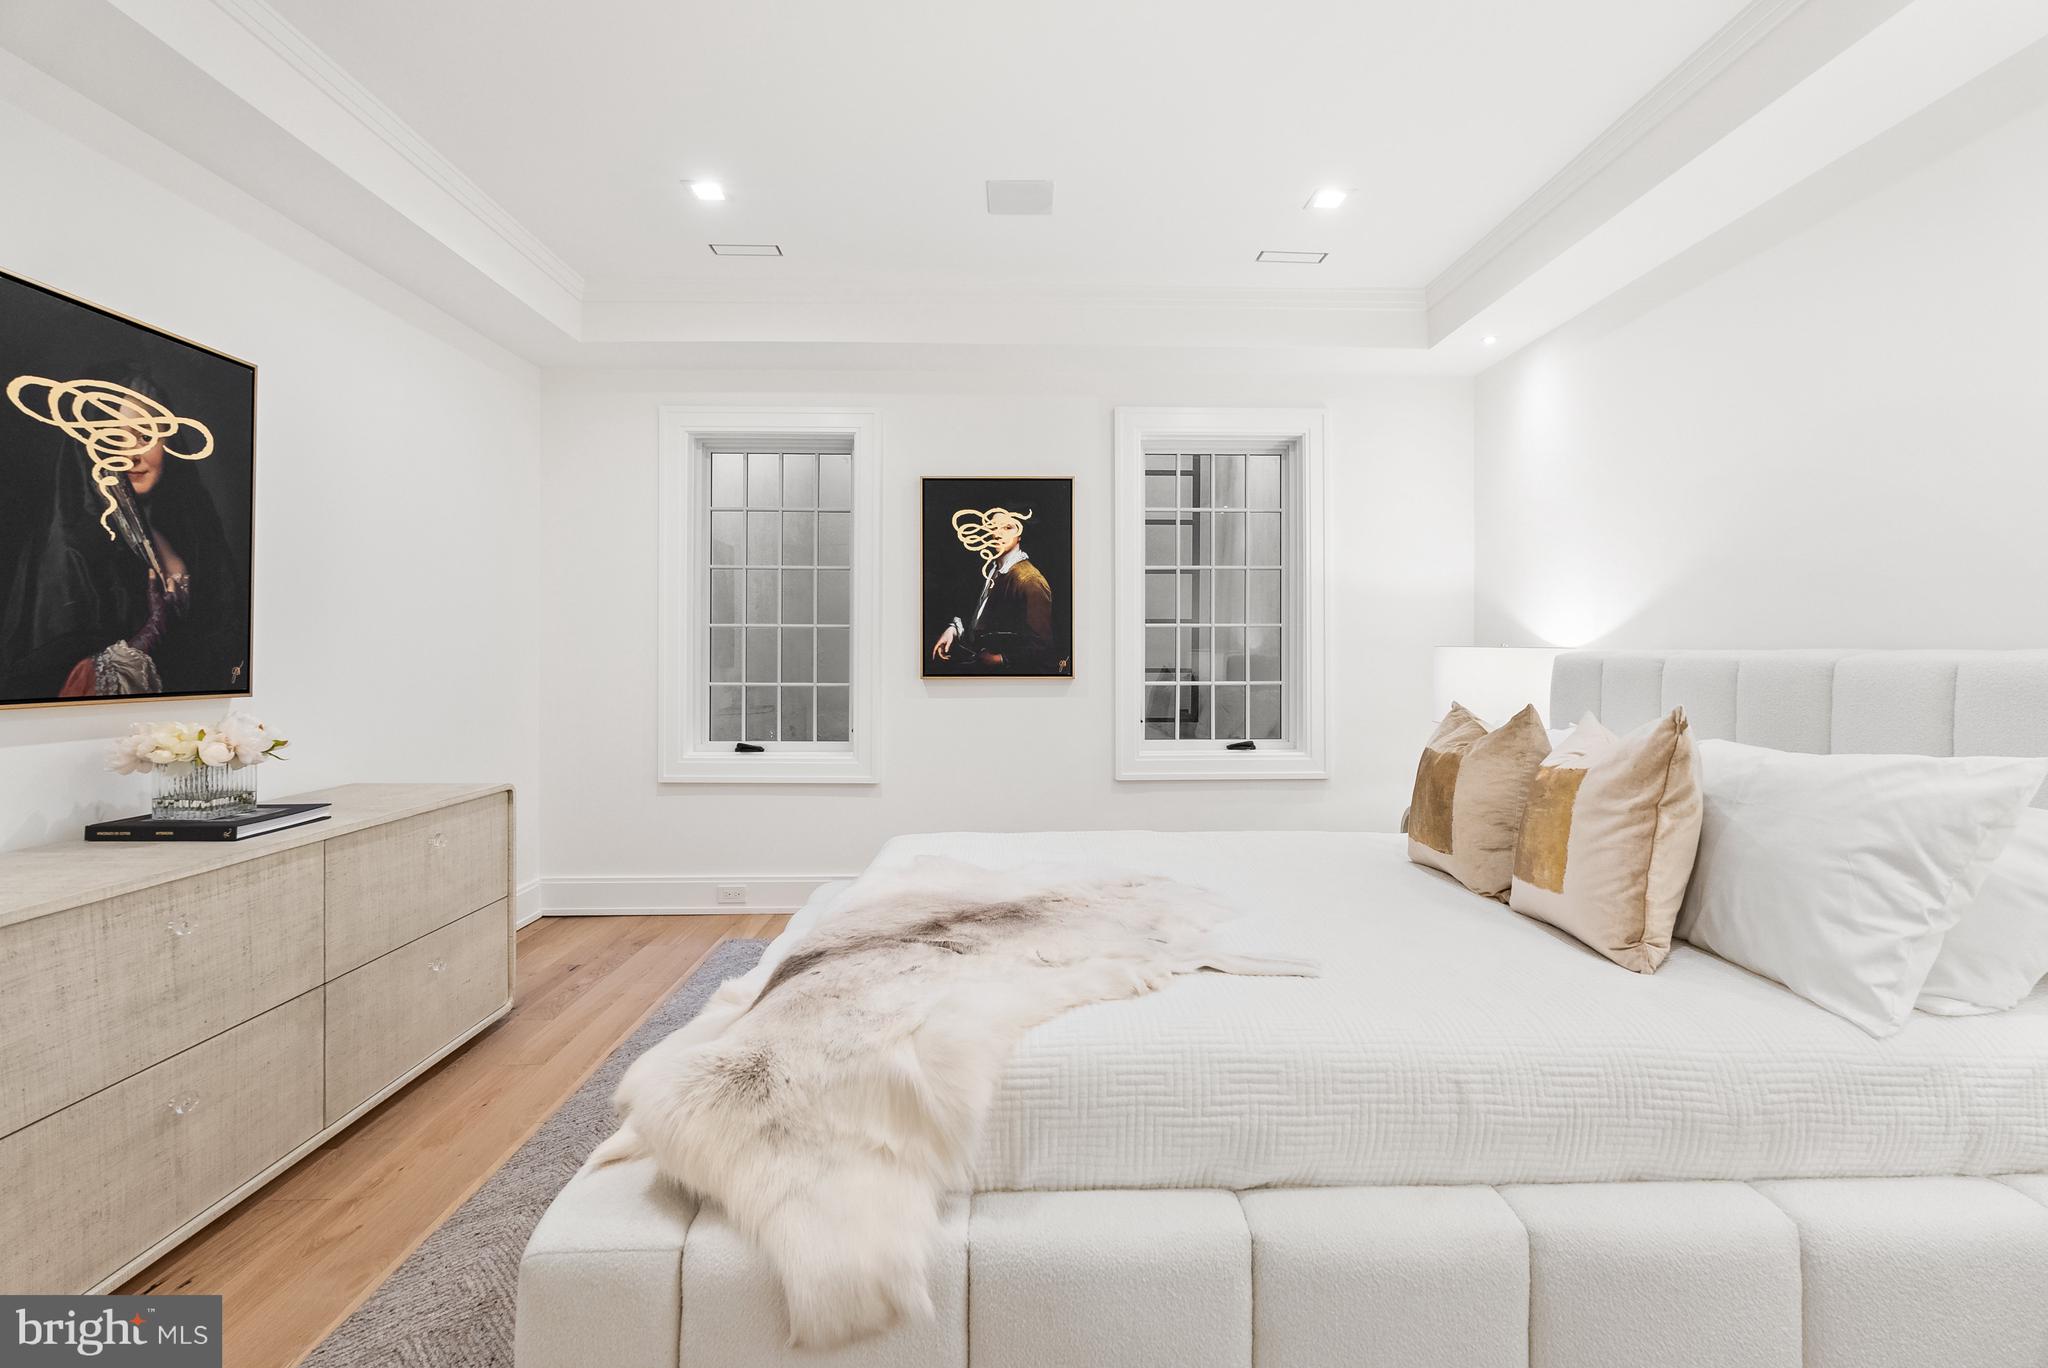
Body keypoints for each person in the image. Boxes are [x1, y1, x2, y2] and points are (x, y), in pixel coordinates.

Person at [0, 369, 246, 699]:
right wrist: (145, 638)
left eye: (146, 437)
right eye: (115, 437)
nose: (133, 455)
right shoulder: (72, 545)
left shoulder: (190, 532)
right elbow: (50, 678)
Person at [931, 505, 1057, 674]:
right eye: (993, 527)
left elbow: (1042, 646)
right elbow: (977, 618)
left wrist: (1000, 659)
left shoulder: (1030, 581)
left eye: (1007, 527)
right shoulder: (989, 569)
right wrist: (953, 629)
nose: (998, 534)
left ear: (1019, 534)